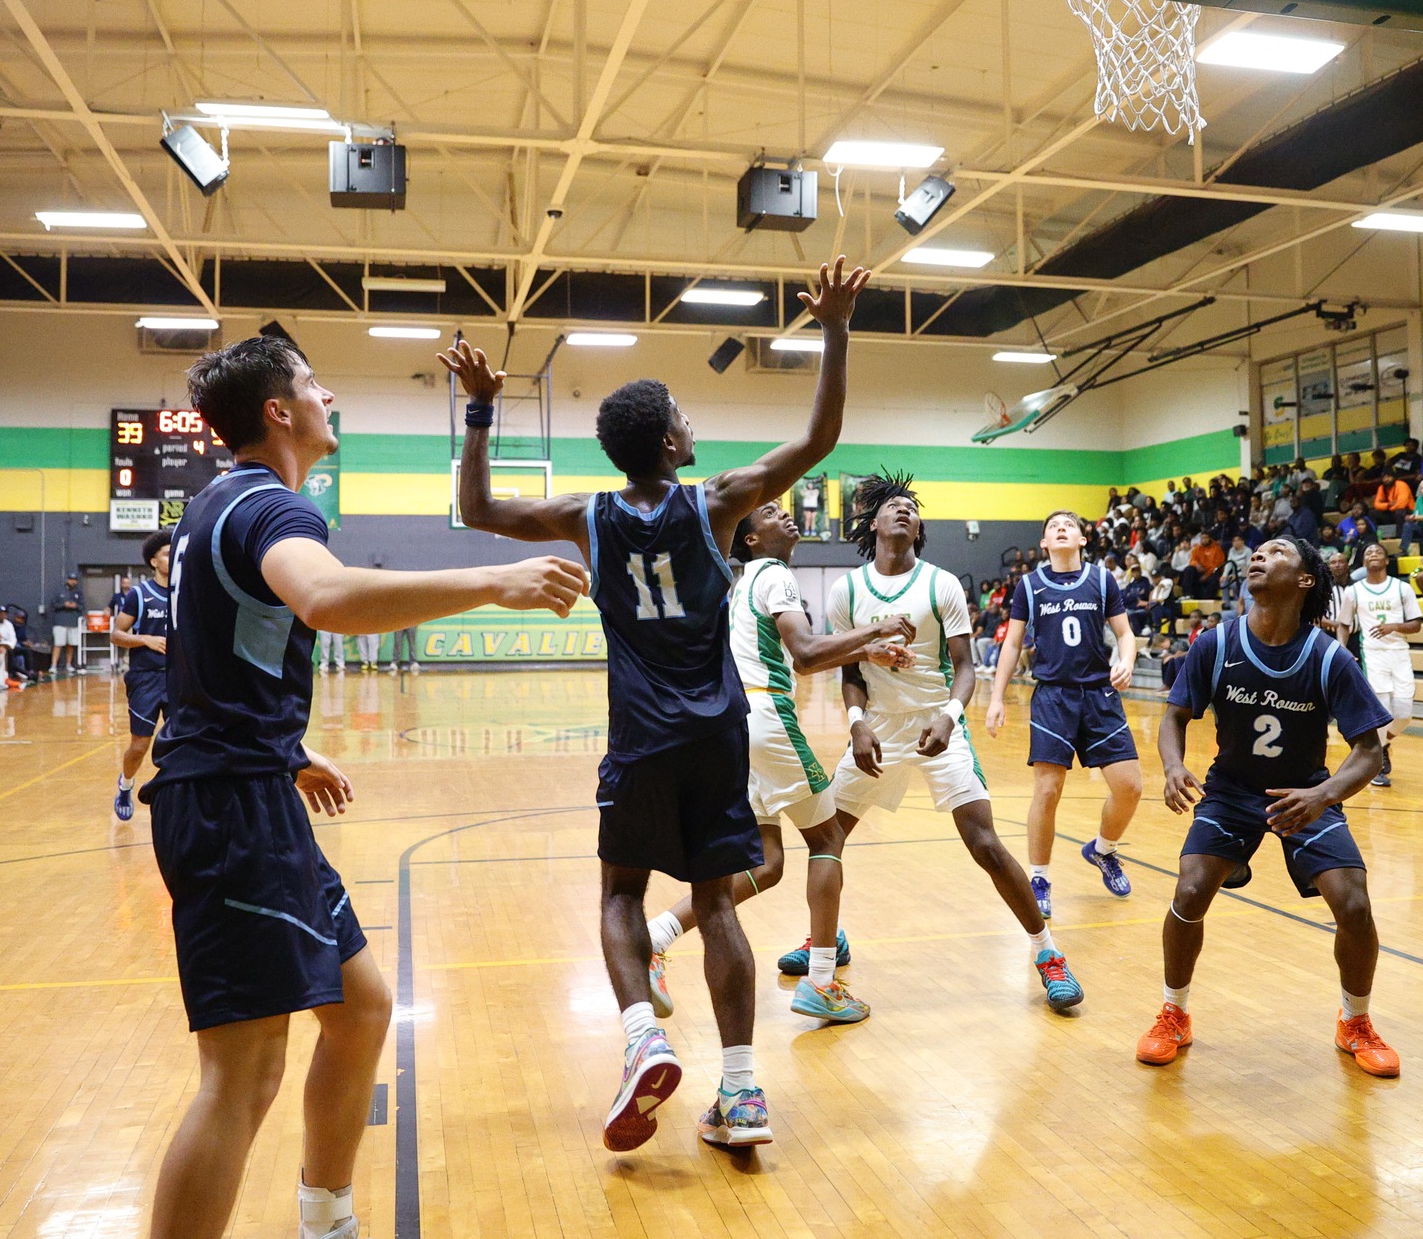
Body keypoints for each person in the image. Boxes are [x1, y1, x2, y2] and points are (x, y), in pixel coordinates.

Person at [142, 329, 585, 1239]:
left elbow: (212, 655)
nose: (329, 396)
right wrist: (494, 577)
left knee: (361, 1008)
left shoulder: (216, 503)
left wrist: (284, 748)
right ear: (278, 411)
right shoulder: (272, 508)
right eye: (315, 383)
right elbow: (328, 599)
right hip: (228, 810)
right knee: (241, 1075)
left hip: (247, 786)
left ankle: (327, 1220)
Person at [443, 256, 870, 1154]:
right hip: (717, 734)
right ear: (671, 443)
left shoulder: (585, 514)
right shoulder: (719, 503)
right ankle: (742, 1093)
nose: (691, 422)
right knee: (716, 904)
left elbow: (475, 506)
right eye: (683, 415)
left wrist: (480, 410)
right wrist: (834, 329)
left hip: (639, 737)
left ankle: (643, 1035)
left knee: (620, 892)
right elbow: (820, 438)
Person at [642, 499, 914, 1028]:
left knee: (767, 865)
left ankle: (655, 936)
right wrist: (875, 631)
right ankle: (821, 982)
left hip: (735, 725)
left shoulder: (742, 583)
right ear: (751, 539)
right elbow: (806, 652)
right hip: (767, 717)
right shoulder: (774, 574)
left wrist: (866, 653)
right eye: (769, 513)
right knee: (828, 839)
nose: (785, 514)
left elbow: (798, 659)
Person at [1141, 537, 1398, 1077]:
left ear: (1305, 580)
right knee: (1190, 890)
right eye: (1257, 552)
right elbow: (1174, 716)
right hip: (1231, 792)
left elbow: (1369, 751)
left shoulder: (1328, 657)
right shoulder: (1216, 643)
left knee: (1354, 905)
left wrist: (1323, 796)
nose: (1259, 556)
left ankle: (1355, 1022)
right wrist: (1172, 766)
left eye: (1277, 552)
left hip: (1305, 794)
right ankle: (1173, 1014)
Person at [828, 474, 1084, 1011]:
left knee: (985, 844)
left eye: (911, 507)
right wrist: (855, 722)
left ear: (919, 528)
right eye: (892, 506)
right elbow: (849, 670)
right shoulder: (845, 590)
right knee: (825, 840)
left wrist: (949, 718)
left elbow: (965, 667)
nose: (903, 511)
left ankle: (1048, 952)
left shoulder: (940, 583)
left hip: (936, 720)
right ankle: (824, 940)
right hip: (877, 725)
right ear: (873, 523)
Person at [984, 509, 1141, 916]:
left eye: (1069, 525)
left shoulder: (1102, 579)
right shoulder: (1030, 585)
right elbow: (1013, 644)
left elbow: (1125, 633)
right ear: (1044, 543)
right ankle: (1039, 878)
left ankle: (1103, 849)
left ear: (1082, 539)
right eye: (1053, 526)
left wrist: (1126, 661)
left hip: (1099, 694)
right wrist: (997, 697)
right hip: (1053, 697)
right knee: (1048, 790)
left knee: (1130, 787)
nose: (1061, 529)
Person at [110, 528, 174, 821]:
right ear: (153, 561)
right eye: (167, 554)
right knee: (140, 745)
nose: (173, 558)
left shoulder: (185, 593)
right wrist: (144, 639)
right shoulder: (139, 594)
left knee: (182, 739)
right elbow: (116, 635)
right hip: (145, 678)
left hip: (177, 677)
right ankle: (125, 785)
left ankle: (175, 792)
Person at [1349, 544, 1422, 787]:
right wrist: (1342, 648)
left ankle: (1384, 744)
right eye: (1368, 553)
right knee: (1382, 708)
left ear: (1387, 560)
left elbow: (1416, 625)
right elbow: (1343, 623)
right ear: (1363, 561)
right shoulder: (1354, 591)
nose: (1373, 555)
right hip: (1372, 654)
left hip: (1399, 653)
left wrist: (1394, 626)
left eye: (1378, 552)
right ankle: (1376, 765)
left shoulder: (1402, 588)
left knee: (1404, 713)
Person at [47, 573, 84, 675]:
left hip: (73, 622)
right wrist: (64, 605)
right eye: (71, 579)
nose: (73, 581)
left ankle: (69, 664)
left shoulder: (78, 592)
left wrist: (75, 605)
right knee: (58, 644)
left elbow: (82, 606)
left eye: (75, 580)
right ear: (67, 580)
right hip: (60, 622)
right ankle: (53, 665)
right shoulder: (59, 591)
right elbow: (53, 605)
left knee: (70, 644)